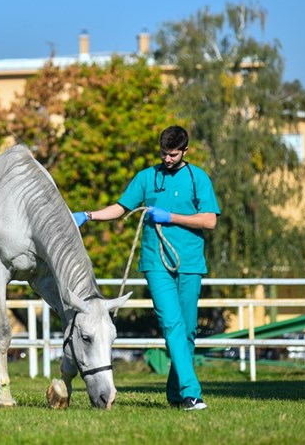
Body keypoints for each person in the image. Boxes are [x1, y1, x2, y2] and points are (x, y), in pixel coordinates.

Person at [73, 125, 220, 411]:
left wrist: (171, 217)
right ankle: (192, 394)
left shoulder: (198, 178)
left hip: (189, 263)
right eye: (164, 153)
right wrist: (88, 215)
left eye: (173, 154)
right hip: (156, 263)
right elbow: (121, 208)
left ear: (185, 151)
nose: (167, 159)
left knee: (187, 331)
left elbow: (209, 220)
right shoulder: (146, 177)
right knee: (171, 325)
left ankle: (175, 394)